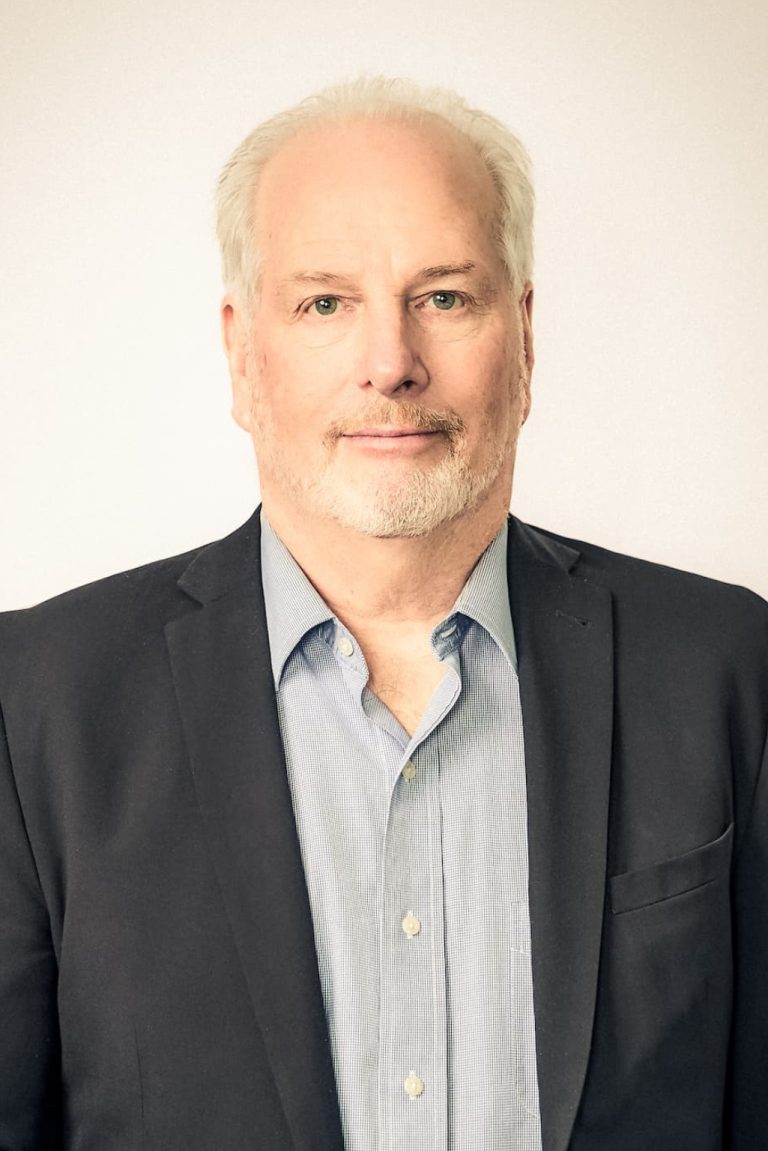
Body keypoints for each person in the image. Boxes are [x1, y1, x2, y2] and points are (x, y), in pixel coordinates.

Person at [0, 75, 765, 1151]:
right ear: (241, 354)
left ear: (525, 337)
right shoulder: (36, 704)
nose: (391, 364)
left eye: (443, 297)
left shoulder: (728, 668)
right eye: (325, 303)